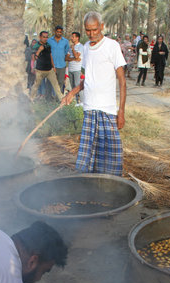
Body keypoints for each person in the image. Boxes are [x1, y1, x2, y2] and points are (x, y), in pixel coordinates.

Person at [62, 11, 127, 176]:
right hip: (89, 108)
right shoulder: (85, 48)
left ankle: (111, 185)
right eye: (88, 30)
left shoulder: (112, 46)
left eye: (95, 29)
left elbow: (122, 81)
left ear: (102, 26)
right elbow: (87, 79)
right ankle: (89, 184)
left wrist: (121, 111)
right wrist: (72, 93)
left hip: (107, 109)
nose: (91, 34)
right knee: (88, 155)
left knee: (111, 153)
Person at [30, 31, 63, 102]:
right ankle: (31, 99)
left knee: (56, 85)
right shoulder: (36, 46)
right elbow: (34, 58)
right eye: (44, 37)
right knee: (36, 85)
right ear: (40, 37)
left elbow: (50, 55)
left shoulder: (48, 45)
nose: (45, 38)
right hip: (40, 70)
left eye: (46, 37)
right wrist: (39, 50)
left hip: (49, 70)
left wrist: (53, 66)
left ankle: (62, 100)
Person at [48, 25, 70, 93]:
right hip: (51, 65)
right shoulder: (49, 41)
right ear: (55, 31)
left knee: (60, 82)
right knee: (50, 82)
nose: (59, 33)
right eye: (57, 32)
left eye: (60, 32)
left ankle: (59, 98)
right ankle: (50, 98)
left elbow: (66, 52)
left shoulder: (65, 41)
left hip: (61, 65)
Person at [66, 32, 84, 102]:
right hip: (71, 69)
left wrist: (73, 50)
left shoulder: (80, 47)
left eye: (73, 37)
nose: (72, 38)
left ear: (77, 38)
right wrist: (74, 59)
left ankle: (82, 101)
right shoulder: (70, 47)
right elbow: (66, 58)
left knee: (78, 86)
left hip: (77, 69)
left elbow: (77, 56)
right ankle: (77, 101)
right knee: (73, 86)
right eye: (72, 37)